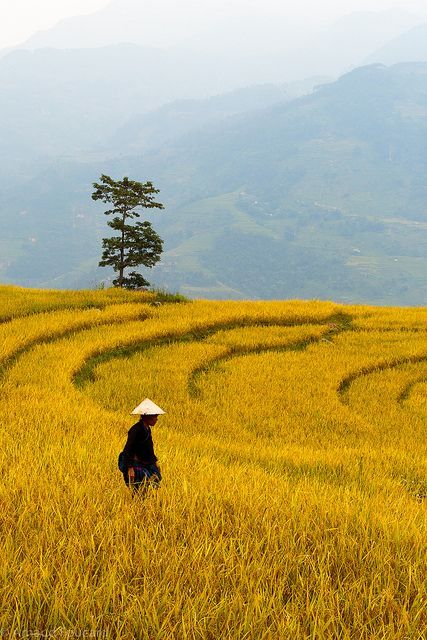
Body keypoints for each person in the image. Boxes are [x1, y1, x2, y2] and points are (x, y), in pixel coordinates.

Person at [119, 398, 165, 496]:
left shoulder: (147, 429)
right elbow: (128, 448)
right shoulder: (136, 430)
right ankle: (137, 506)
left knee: (152, 481)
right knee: (138, 488)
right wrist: (130, 468)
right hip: (135, 464)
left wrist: (155, 462)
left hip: (145, 462)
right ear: (147, 417)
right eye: (155, 417)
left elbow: (149, 448)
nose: (156, 419)